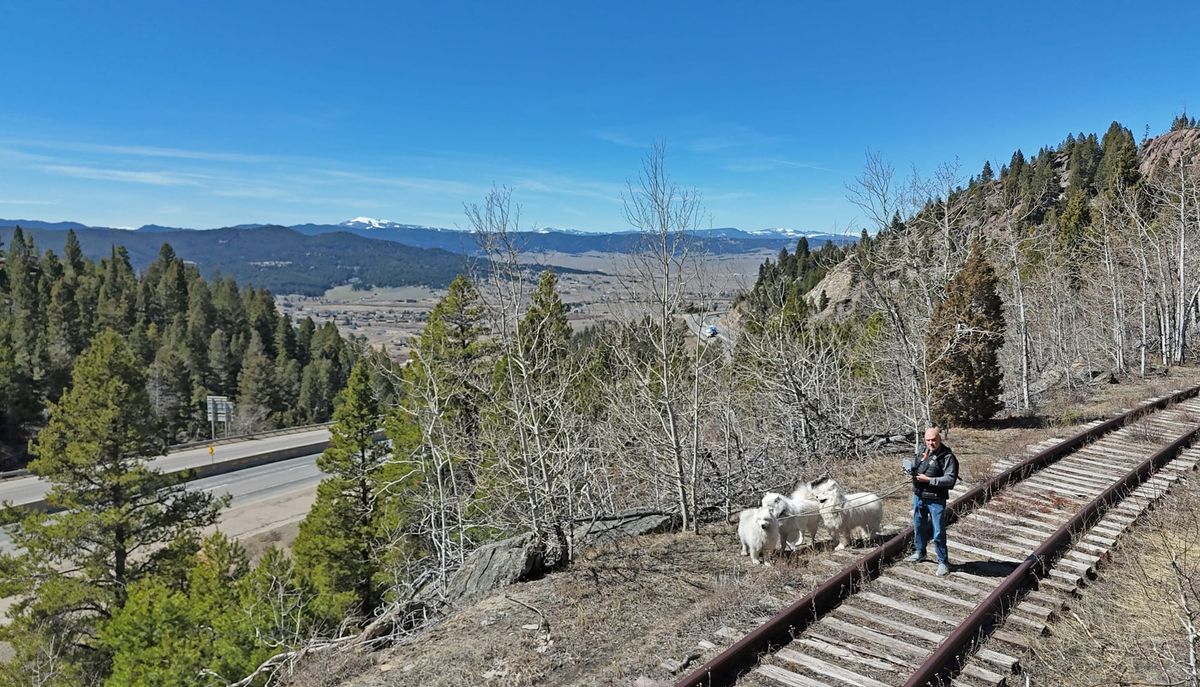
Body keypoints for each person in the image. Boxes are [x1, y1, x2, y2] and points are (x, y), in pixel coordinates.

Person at [905, 426, 959, 576]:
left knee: (938, 530)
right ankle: (920, 552)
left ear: (939, 439)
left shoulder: (947, 456)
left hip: (936, 499)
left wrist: (929, 480)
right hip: (919, 495)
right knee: (918, 525)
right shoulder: (922, 449)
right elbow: (917, 466)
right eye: (928, 440)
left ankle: (943, 561)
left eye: (934, 440)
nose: (931, 443)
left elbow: (950, 478)